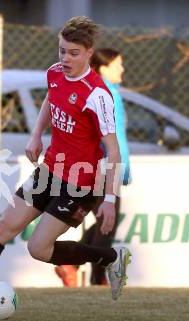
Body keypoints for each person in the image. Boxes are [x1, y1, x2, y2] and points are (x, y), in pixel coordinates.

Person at [0, 16, 132, 315]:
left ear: (88, 53)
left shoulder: (98, 95)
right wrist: (36, 135)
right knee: (3, 226)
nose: (65, 58)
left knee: (38, 249)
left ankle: (109, 257)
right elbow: (50, 99)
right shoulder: (55, 73)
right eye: (62, 51)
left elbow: (113, 150)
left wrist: (109, 199)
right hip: (49, 171)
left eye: (73, 53)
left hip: (82, 183)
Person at [54, 48, 131, 287]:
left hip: (97, 166)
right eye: (117, 64)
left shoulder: (100, 90)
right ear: (103, 68)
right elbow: (111, 137)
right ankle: (96, 278)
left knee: (102, 222)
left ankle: (72, 265)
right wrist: (120, 168)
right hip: (105, 167)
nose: (122, 69)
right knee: (108, 222)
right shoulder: (106, 93)